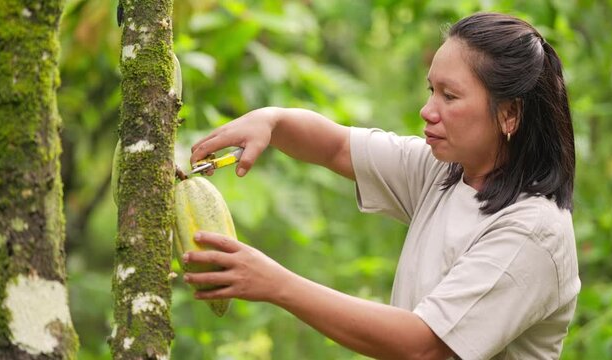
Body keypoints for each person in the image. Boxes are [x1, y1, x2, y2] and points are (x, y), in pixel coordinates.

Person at [183, 12, 580, 360]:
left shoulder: (532, 232)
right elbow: (337, 146)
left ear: (509, 114)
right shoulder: (445, 172)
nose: (428, 111)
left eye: (450, 96)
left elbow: (422, 344)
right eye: (431, 91)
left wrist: (276, 284)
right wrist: (272, 121)